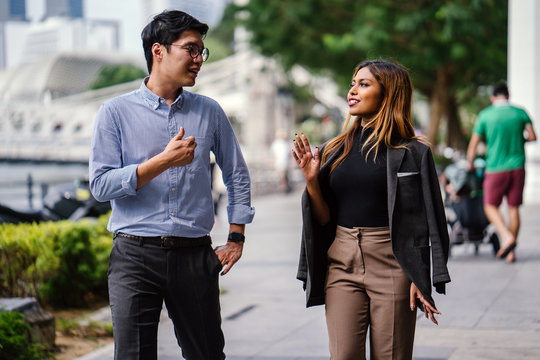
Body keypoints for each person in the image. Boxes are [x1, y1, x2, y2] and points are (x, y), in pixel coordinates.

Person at [89, 10, 255, 360]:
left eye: (201, 52)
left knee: (207, 354)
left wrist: (237, 236)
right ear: (158, 51)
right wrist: (162, 161)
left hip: (195, 255)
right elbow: (101, 186)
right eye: (191, 49)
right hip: (134, 256)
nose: (199, 60)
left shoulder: (210, 111)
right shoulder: (113, 113)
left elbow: (237, 174)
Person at [292, 59, 450, 360]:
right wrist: (311, 181)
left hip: (393, 263)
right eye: (353, 83)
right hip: (342, 262)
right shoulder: (333, 149)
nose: (353, 90)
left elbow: (429, 219)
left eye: (364, 84)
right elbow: (324, 218)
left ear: (388, 93)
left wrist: (421, 277)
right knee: (343, 355)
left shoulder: (413, 152)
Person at [466, 83, 536, 263]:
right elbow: (533, 136)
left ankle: (506, 237)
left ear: (492, 98)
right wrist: (519, 139)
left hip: (495, 168)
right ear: (508, 95)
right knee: (513, 208)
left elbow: (473, 145)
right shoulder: (520, 112)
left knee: (490, 206)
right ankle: (510, 252)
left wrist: (470, 164)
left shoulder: (485, 115)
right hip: (518, 167)